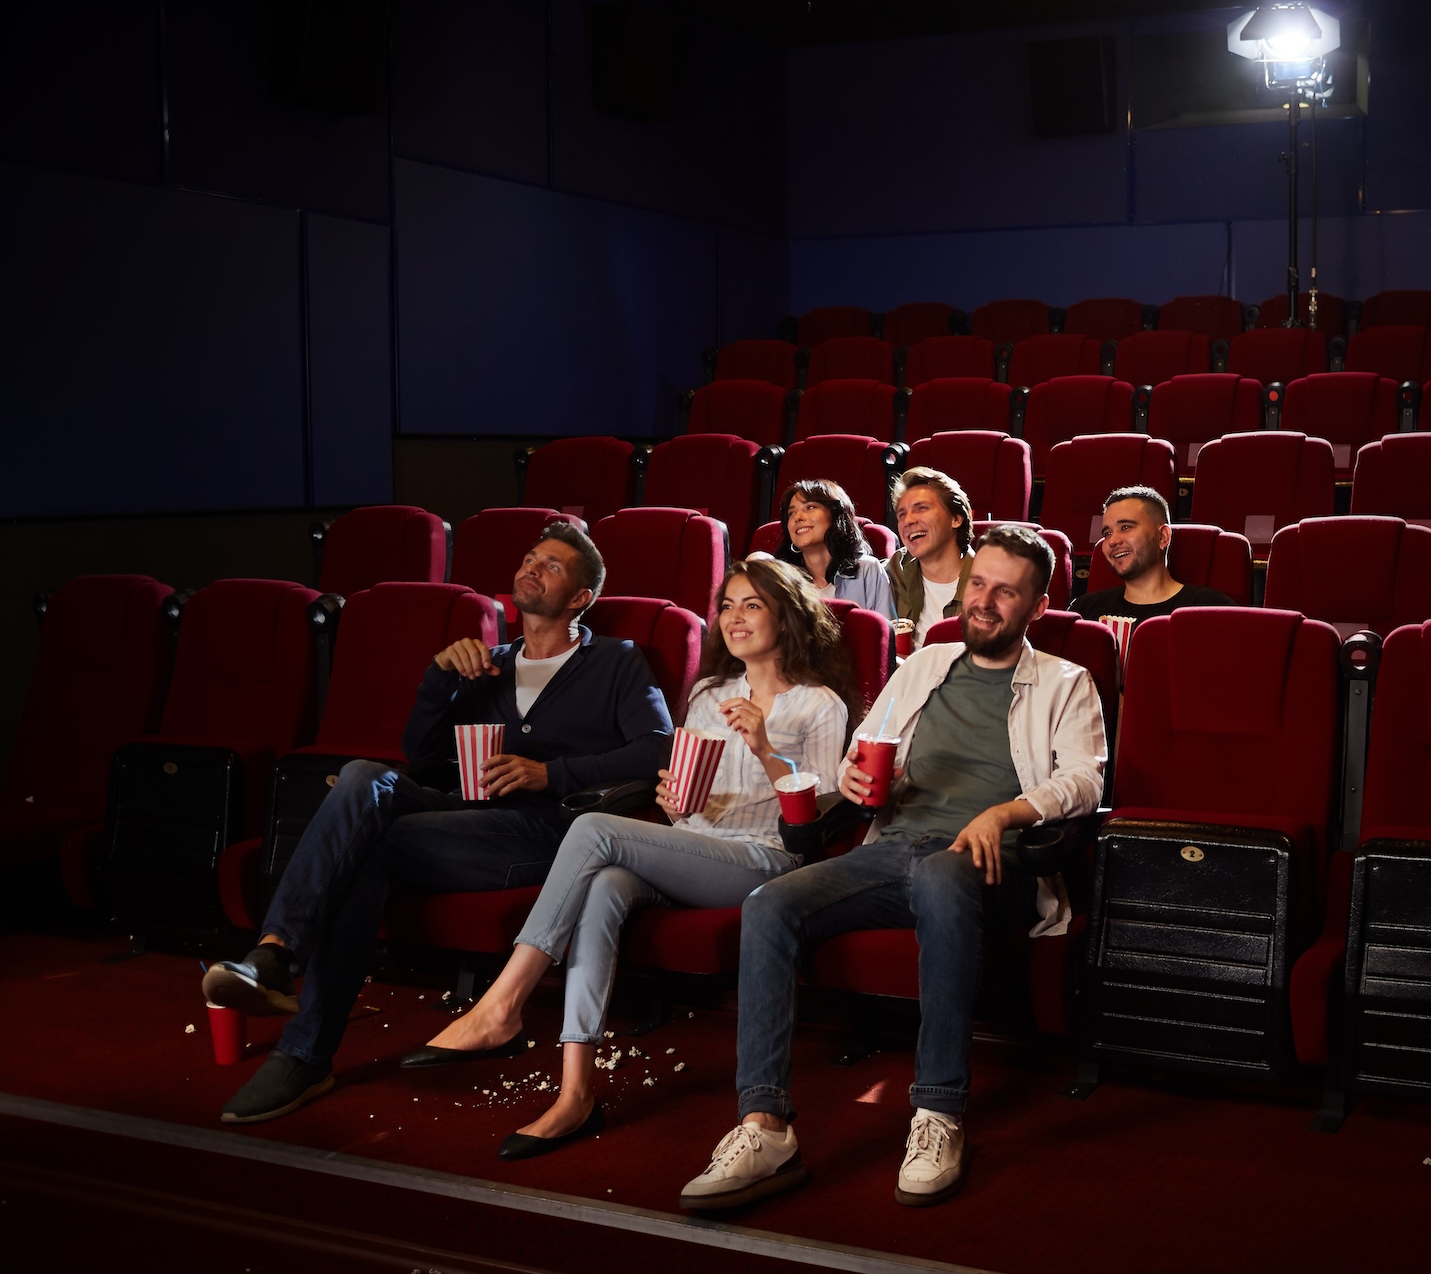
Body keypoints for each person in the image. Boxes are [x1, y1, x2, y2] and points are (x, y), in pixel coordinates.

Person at [678, 525, 1105, 1213]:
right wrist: (853, 778)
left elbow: (1085, 780)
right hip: (890, 848)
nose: (985, 601)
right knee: (769, 902)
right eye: (977, 585)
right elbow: (867, 749)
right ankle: (765, 1125)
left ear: (1039, 604)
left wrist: (1005, 812)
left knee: (940, 871)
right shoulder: (924, 667)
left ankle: (938, 1111)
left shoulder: (1065, 681)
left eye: (1005, 590)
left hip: (991, 864)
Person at [200, 523, 672, 1125]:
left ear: (581, 597)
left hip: (545, 831)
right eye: (529, 558)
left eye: (551, 565)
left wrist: (547, 774)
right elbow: (421, 757)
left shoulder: (614, 662)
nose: (532, 567)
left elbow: (657, 748)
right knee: (362, 775)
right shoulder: (488, 664)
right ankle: (273, 953)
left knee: (368, 848)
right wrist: (440, 679)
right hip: (462, 814)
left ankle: (304, 1050)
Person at [407, 559, 856, 1159]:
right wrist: (674, 802)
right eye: (727, 605)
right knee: (605, 886)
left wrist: (767, 749)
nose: (734, 618)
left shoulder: (818, 705)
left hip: (768, 861)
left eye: (752, 605)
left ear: (787, 615)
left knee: (594, 828)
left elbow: (818, 819)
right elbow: (691, 803)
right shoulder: (707, 695)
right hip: (698, 849)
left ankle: (502, 1002)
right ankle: (576, 1092)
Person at [1069, 485, 1234, 622]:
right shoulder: (1084, 611)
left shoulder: (1210, 608)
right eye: (1107, 533)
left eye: (1126, 527)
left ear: (1163, 537)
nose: (1112, 541)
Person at [773, 479, 893, 620]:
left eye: (810, 507)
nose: (797, 517)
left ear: (836, 515)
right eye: (791, 513)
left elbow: (886, 635)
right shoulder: (780, 579)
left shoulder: (867, 570)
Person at [885, 466, 975, 642]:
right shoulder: (894, 568)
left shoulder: (989, 584)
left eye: (921, 508)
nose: (908, 520)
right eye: (901, 514)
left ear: (956, 518)